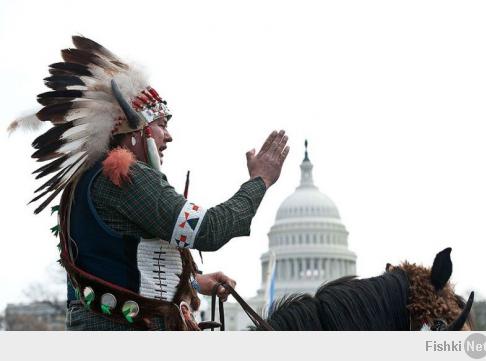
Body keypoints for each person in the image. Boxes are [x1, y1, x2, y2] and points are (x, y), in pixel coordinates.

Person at [9, 36, 289, 330]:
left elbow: (116, 266)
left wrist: (193, 282)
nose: (168, 137)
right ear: (136, 131)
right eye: (162, 125)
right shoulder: (121, 175)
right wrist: (260, 180)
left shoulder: (90, 179)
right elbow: (209, 229)